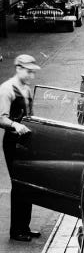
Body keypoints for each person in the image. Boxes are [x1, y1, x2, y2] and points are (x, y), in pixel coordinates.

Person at [0, 54, 40, 242]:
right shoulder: (7, 89)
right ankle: (16, 230)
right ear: (18, 68)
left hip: (25, 141)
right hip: (12, 141)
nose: (31, 75)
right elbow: (1, 117)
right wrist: (15, 125)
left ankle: (25, 226)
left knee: (28, 183)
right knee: (18, 184)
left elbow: (30, 116)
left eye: (32, 72)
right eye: (28, 71)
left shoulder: (27, 89)